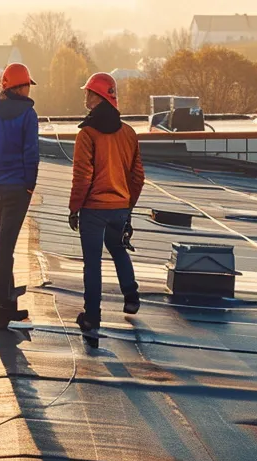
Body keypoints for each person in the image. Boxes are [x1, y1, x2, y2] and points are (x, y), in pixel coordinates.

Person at [67, 72, 144, 339]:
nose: (84, 96)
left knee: (93, 263)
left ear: (97, 97)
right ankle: (131, 295)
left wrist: (74, 207)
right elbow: (138, 177)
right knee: (118, 247)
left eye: (87, 92)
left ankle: (92, 317)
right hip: (120, 206)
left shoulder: (87, 134)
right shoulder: (129, 133)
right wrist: (127, 206)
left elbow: (83, 176)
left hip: (94, 209)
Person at [0, 63, 40, 331]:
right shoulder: (28, 114)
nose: (28, 89)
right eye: (27, 85)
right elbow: (31, 153)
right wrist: (29, 186)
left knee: (4, 243)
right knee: (5, 248)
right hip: (17, 188)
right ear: (19, 87)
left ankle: (8, 305)